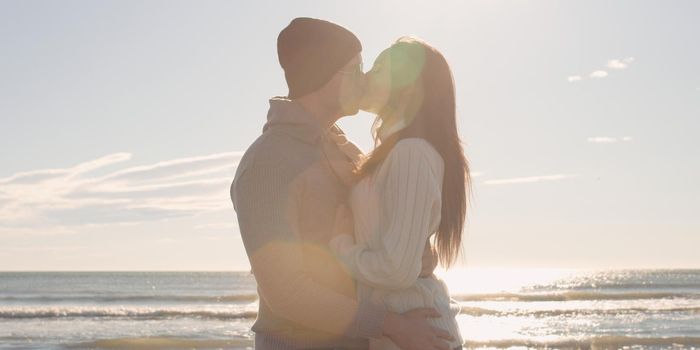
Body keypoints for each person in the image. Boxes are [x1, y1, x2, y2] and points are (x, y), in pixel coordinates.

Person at [231, 18, 454, 350]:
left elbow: (382, 232)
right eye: (357, 68)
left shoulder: (345, 149)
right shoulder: (268, 161)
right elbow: (285, 292)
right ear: (324, 75)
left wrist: (413, 256)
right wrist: (391, 325)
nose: (364, 79)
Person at [329, 37, 471, 350]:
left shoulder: (412, 153)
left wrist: (340, 248)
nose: (365, 76)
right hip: (400, 329)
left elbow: (396, 269)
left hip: (416, 332)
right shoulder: (393, 153)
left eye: (378, 69)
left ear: (406, 87)